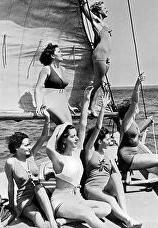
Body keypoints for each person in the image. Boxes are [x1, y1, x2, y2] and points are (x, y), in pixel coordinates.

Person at [46, 86, 111, 228]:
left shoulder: (76, 153)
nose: (76, 139)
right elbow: (49, 147)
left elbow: (83, 125)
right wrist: (58, 128)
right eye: (72, 136)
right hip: (61, 202)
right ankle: (71, 217)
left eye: (76, 136)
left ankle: (67, 220)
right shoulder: (59, 159)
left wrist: (86, 100)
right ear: (64, 140)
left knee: (106, 208)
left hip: (77, 199)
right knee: (88, 214)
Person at [83, 93, 142, 228]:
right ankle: (127, 220)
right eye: (107, 139)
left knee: (115, 175)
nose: (110, 140)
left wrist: (126, 174)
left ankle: (126, 214)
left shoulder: (108, 155)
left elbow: (117, 174)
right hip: (92, 189)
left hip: (106, 188)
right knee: (110, 199)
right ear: (99, 141)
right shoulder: (90, 151)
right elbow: (98, 128)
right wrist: (103, 107)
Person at [5, 106, 58, 228]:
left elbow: (44, 137)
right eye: (26, 145)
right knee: (37, 216)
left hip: (40, 193)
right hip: (24, 199)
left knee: (39, 187)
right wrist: (12, 208)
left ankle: (53, 223)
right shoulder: (11, 163)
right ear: (17, 148)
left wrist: (47, 118)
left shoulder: (31, 155)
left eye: (29, 144)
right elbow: (10, 186)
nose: (30, 147)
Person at [80, 0, 112, 115]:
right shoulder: (97, 22)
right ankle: (88, 105)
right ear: (98, 11)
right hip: (100, 55)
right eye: (104, 7)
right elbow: (86, 11)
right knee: (99, 81)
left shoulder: (103, 24)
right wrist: (83, 4)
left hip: (105, 57)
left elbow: (97, 40)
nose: (107, 9)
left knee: (100, 83)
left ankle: (91, 106)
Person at [34, 43, 77, 125]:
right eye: (59, 52)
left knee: (70, 128)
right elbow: (38, 88)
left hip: (62, 102)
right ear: (52, 56)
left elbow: (61, 89)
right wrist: (38, 105)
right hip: (50, 102)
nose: (62, 54)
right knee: (66, 126)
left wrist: (68, 105)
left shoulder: (63, 69)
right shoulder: (46, 69)